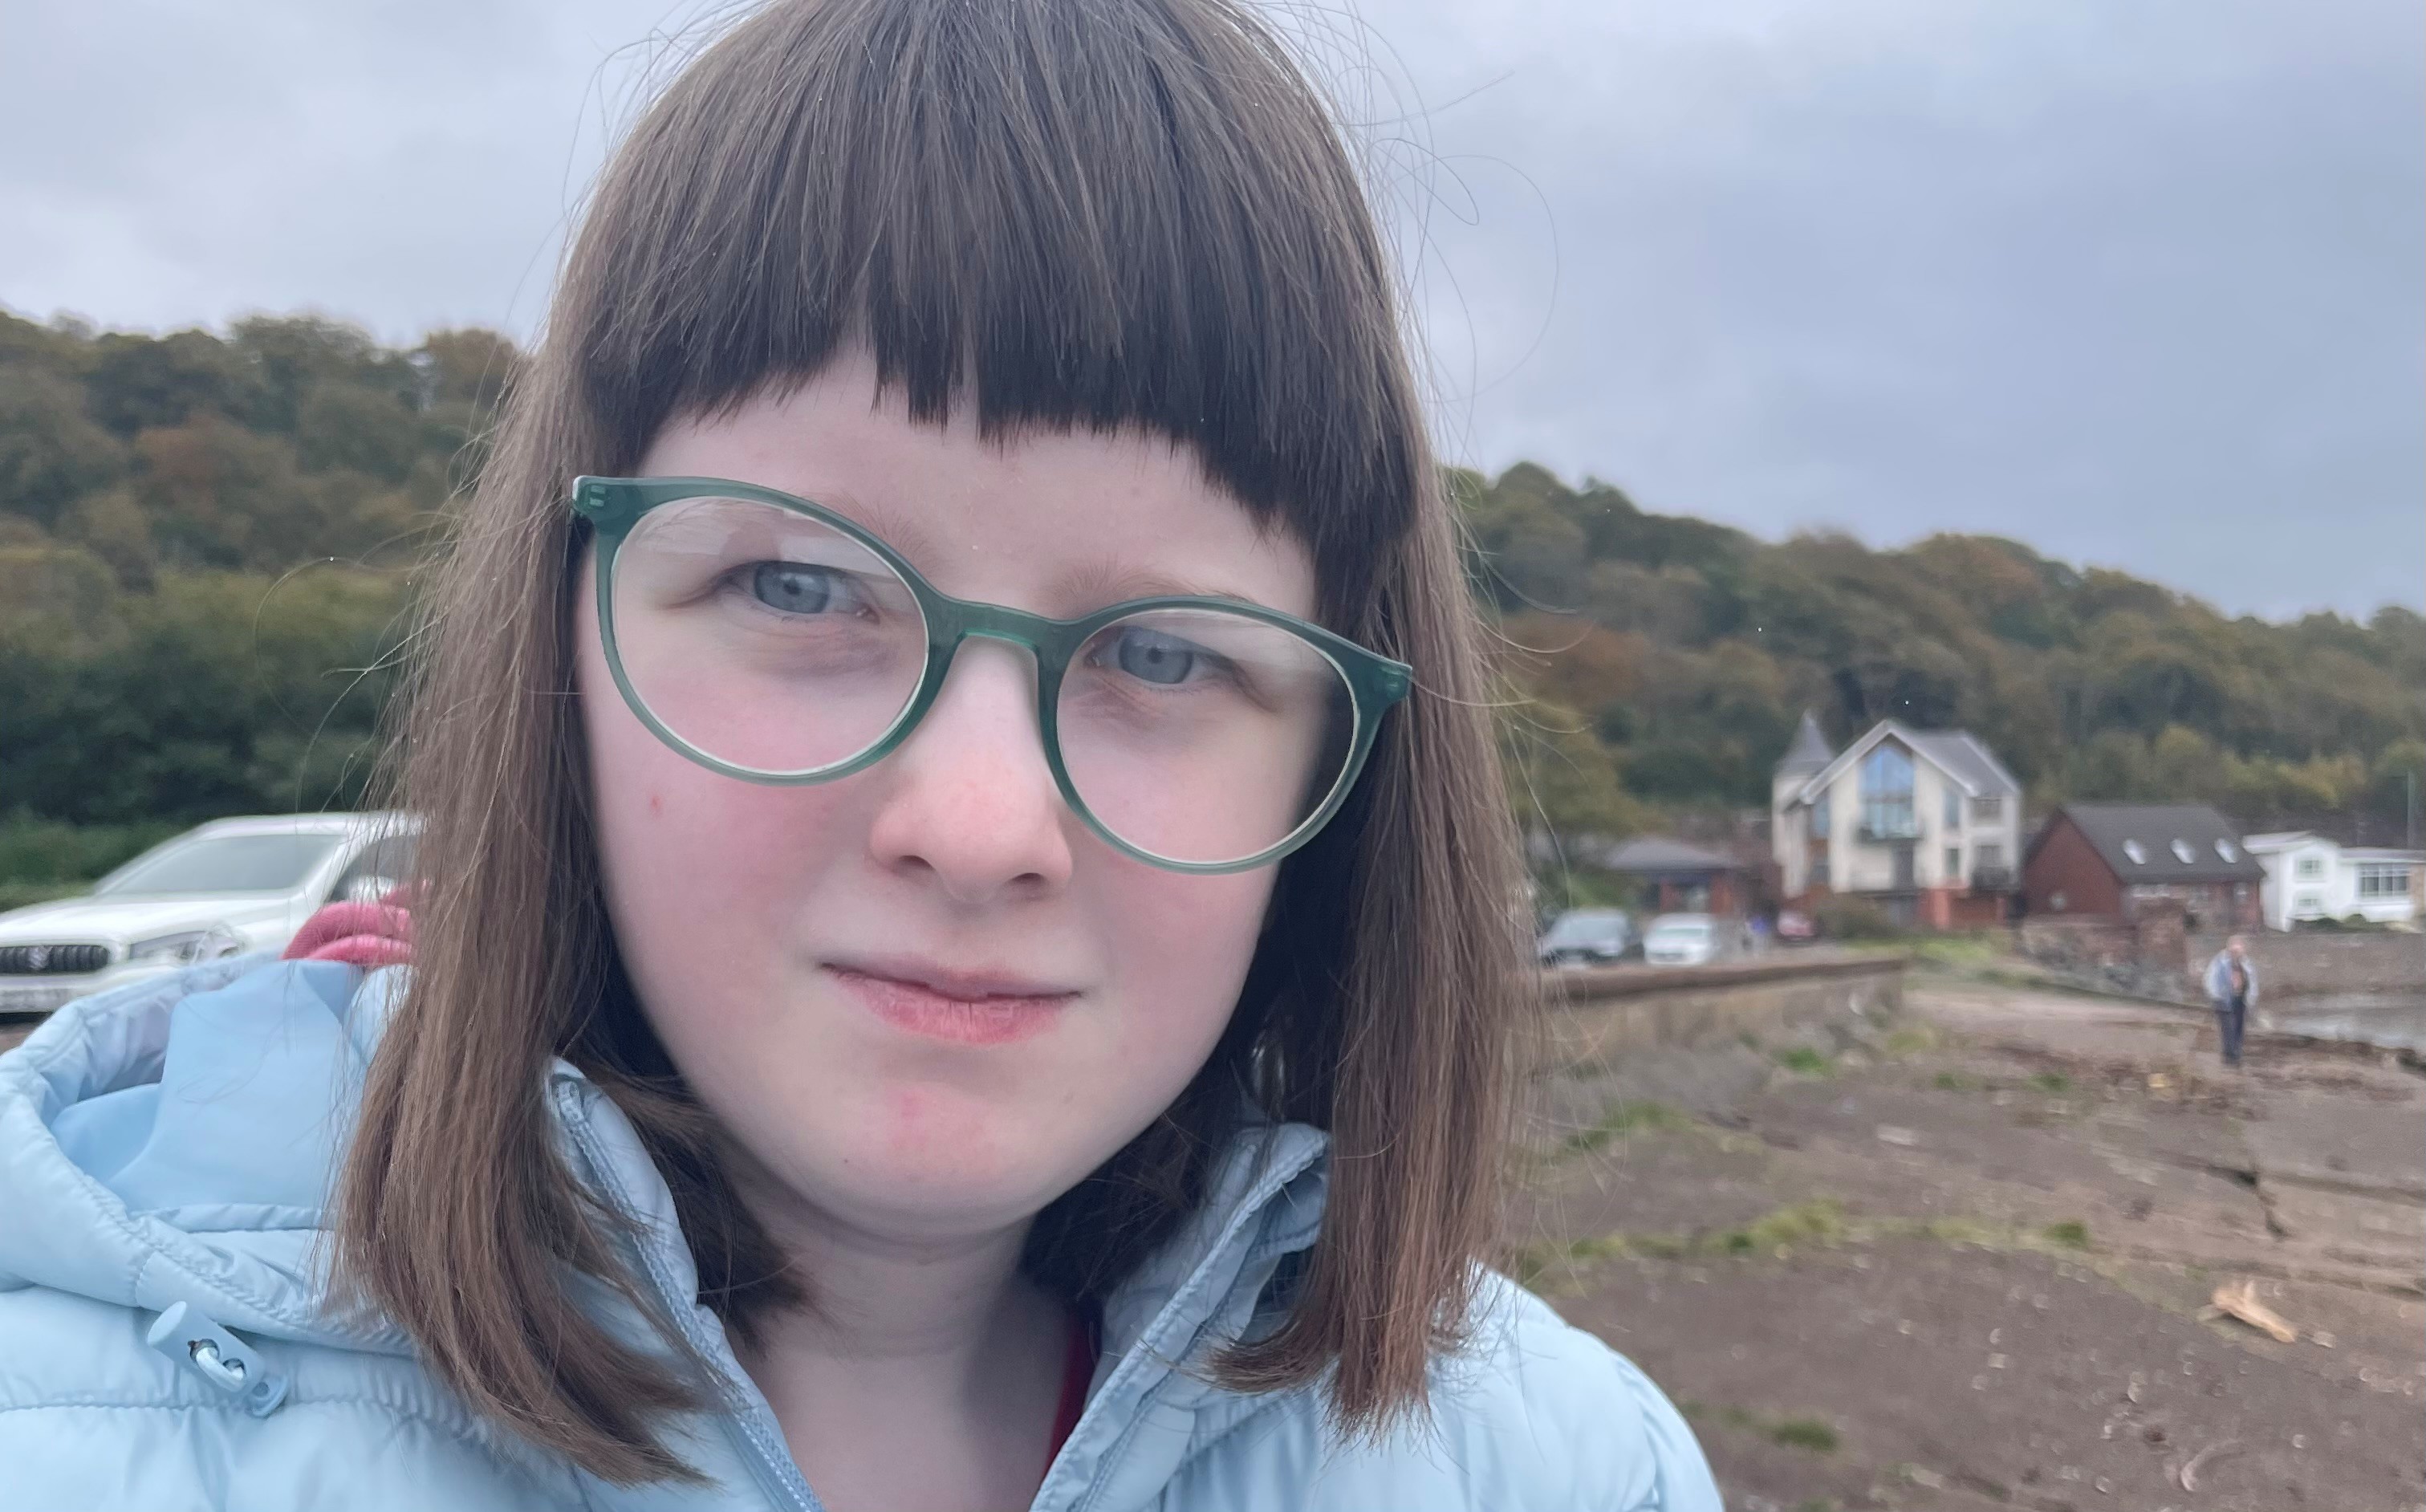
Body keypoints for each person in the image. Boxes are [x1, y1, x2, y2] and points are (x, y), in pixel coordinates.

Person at [0, 2, 1718, 1508]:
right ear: (564, 640)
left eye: (1168, 653)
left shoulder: (1562, 1471)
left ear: (1331, 770)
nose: (976, 828)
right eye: (800, 586)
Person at [2204, 934, 2260, 1068]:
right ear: (2229, 949)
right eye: (2234, 950)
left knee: (2239, 1027)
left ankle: (2235, 1053)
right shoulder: (2220, 961)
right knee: (2228, 1028)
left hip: (2240, 999)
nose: (2236, 953)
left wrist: (2251, 998)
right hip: (2223, 1000)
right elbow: (2209, 978)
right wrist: (2216, 995)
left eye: (2239, 950)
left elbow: (2252, 981)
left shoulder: (2246, 963)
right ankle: (2231, 1056)